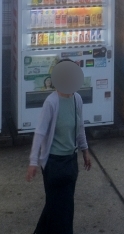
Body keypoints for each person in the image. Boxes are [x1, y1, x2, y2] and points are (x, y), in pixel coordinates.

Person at [27, 60, 93, 234]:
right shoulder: (51, 102)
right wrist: (34, 162)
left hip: (71, 162)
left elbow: (79, 127)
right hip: (54, 164)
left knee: (58, 206)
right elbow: (40, 133)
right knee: (62, 210)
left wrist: (85, 151)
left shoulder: (77, 99)